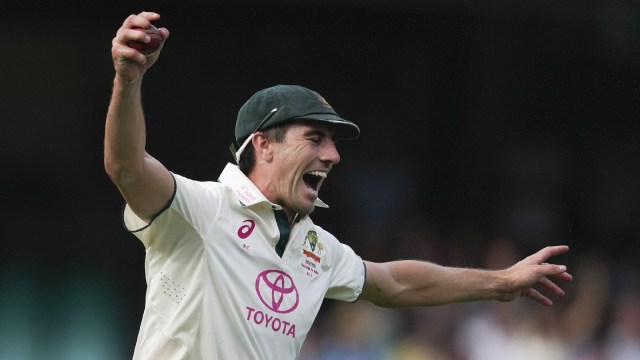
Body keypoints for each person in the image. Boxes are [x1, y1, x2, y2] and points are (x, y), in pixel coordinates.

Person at [105, 11, 573, 360]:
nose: (332, 156)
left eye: (332, 142)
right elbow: (127, 167)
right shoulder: (200, 209)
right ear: (263, 145)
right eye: (315, 138)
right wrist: (128, 80)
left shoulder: (315, 248)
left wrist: (501, 282)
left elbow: (394, 283)